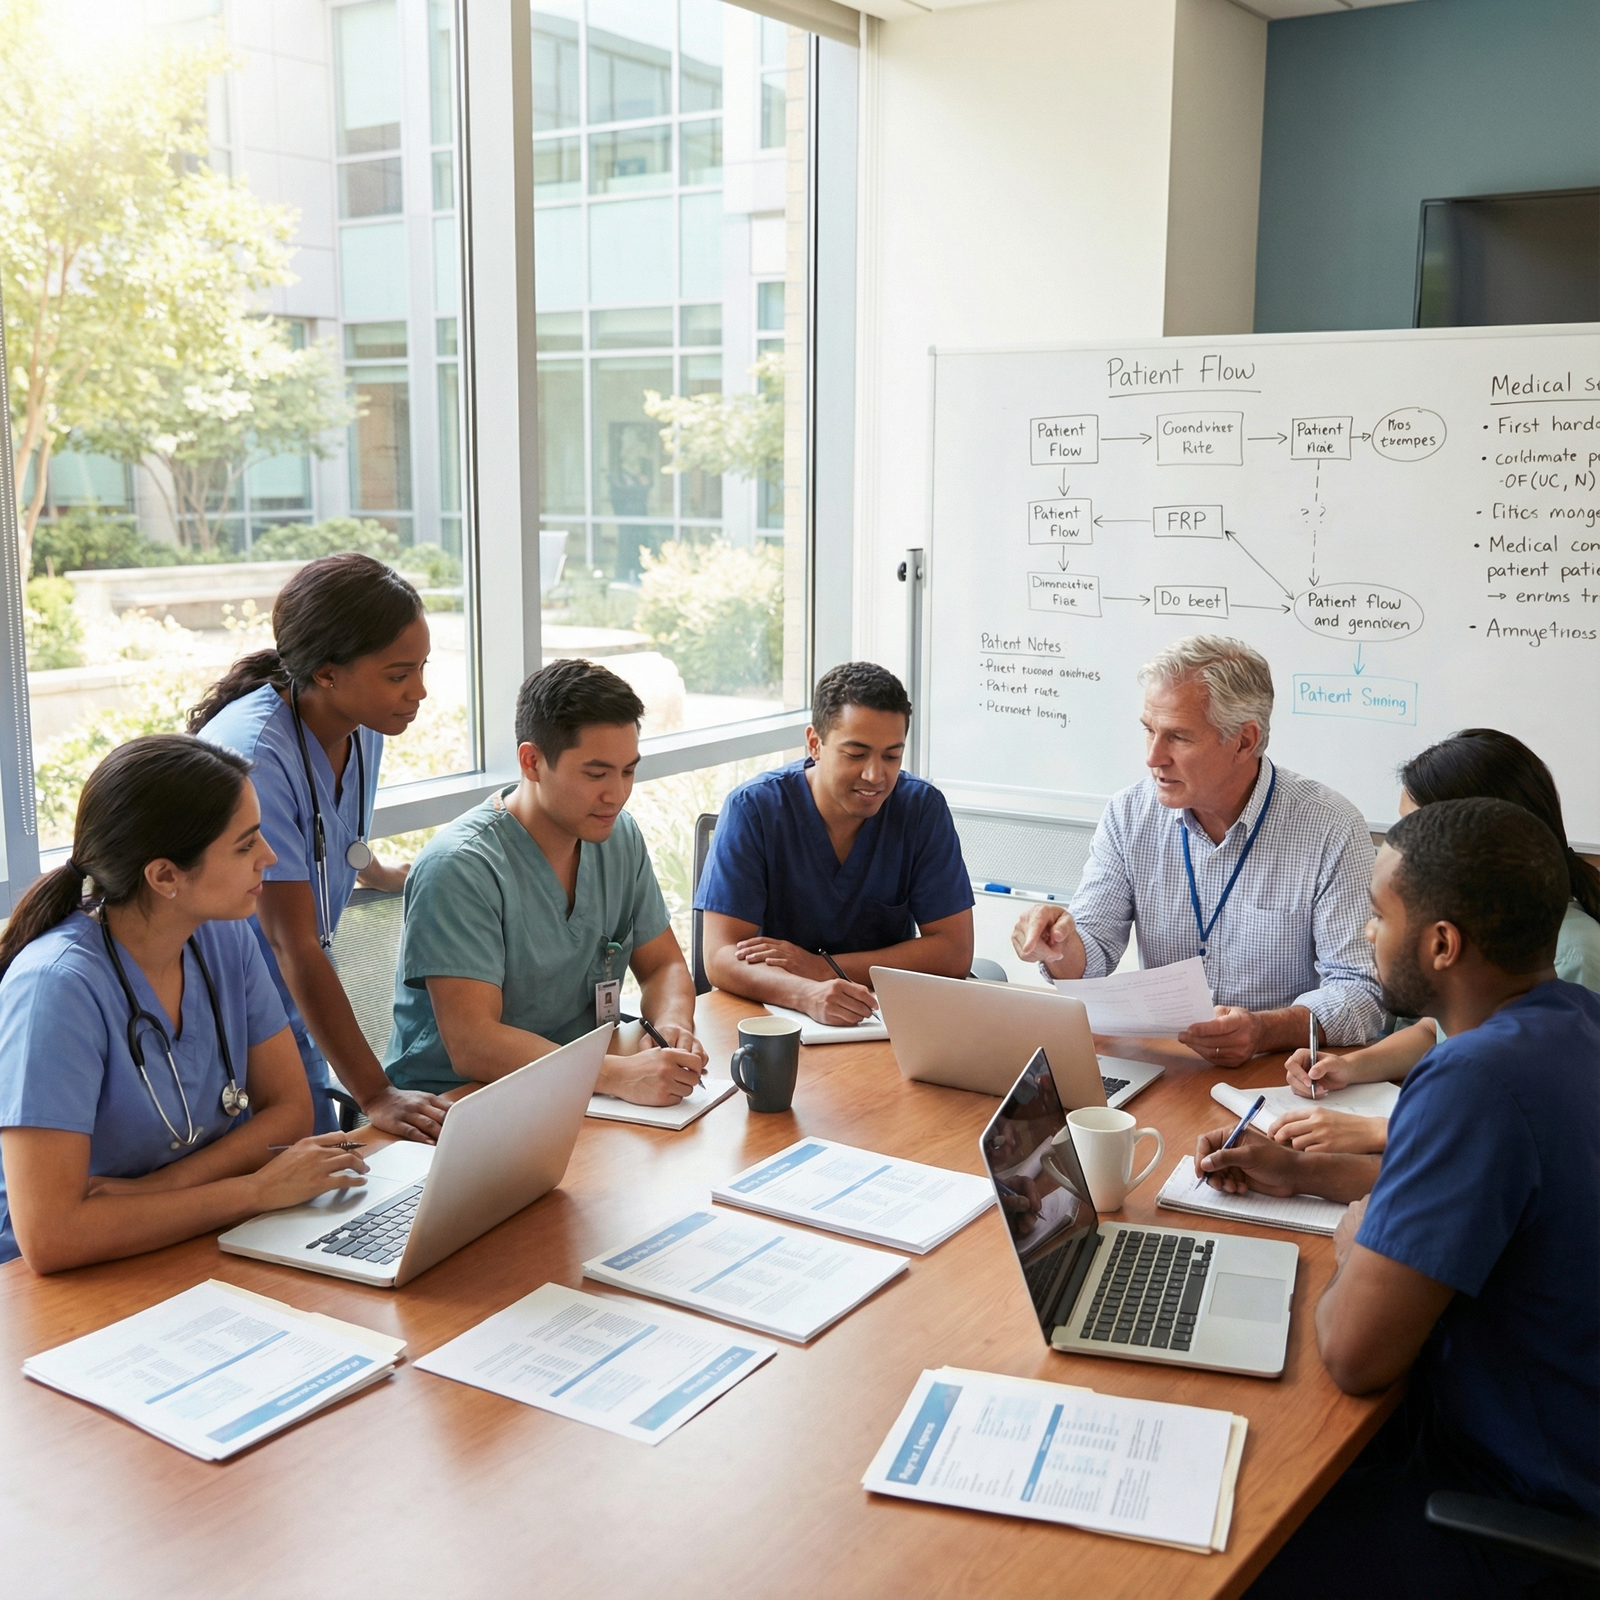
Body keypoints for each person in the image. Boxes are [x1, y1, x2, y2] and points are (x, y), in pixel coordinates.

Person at [1193, 798, 1599, 1600]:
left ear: (1441, 944)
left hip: (1522, 1519)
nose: (1366, 935)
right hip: (1561, 1451)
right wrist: (1302, 1173)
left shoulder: (1475, 1080)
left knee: (1224, 1544)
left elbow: (1354, 1355)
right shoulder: (1573, 1025)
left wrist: (1357, 1236)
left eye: (1377, 915)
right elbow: (1493, 1197)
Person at [0, 737, 373, 1272]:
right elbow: (52, 1235)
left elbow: (289, 1110)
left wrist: (161, 1189)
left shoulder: (224, 937)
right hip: (68, 1282)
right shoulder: (55, 988)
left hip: (192, 1235)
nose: (268, 856)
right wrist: (255, 1191)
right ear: (165, 876)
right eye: (245, 846)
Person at [1012, 635, 1382, 1065]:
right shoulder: (1129, 814)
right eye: (1149, 730)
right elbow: (1090, 957)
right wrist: (1058, 944)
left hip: (1277, 1073)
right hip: (1167, 1067)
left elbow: (1361, 993)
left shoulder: (1330, 828)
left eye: (1178, 738)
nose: (1153, 757)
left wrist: (1264, 1030)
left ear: (1244, 741)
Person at [192, 553, 451, 1142]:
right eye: (398, 674)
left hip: (287, 1003)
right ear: (329, 672)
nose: (420, 691)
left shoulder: (359, 729)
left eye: (421, 667)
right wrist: (376, 1093)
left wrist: (377, 871)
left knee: (320, 1177)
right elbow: (292, 944)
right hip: (224, 1012)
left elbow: (329, 831)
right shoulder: (254, 753)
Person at [384, 658, 709, 1105]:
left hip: (580, 1087)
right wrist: (615, 1076)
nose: (615, 794)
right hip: (459, 1105)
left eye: (628, 771)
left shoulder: (618, 837)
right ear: (532, 761)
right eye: (596, 774)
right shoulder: (460, 867)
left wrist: (673, 1027)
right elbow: (473, 1044)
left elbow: (662, 966)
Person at [1272, 726, 1600, 1157]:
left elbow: (1543, 1119)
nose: (1370, 932)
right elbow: (1436, 1030)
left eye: (1418, 832)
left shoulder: (1570, 955)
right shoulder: (1481, 942)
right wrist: (1351, 1066)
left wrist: (1383, 1132)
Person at [695, 661, 974, 1025]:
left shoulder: (920, 809)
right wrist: (805, 992)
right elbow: (719, 957)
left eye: (892, 755)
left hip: (878, 1019)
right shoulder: (754, 809)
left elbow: (954, 951)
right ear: (815, 743)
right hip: (773, 1020)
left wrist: (823, 968)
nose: (875, 775)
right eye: (856, 754)